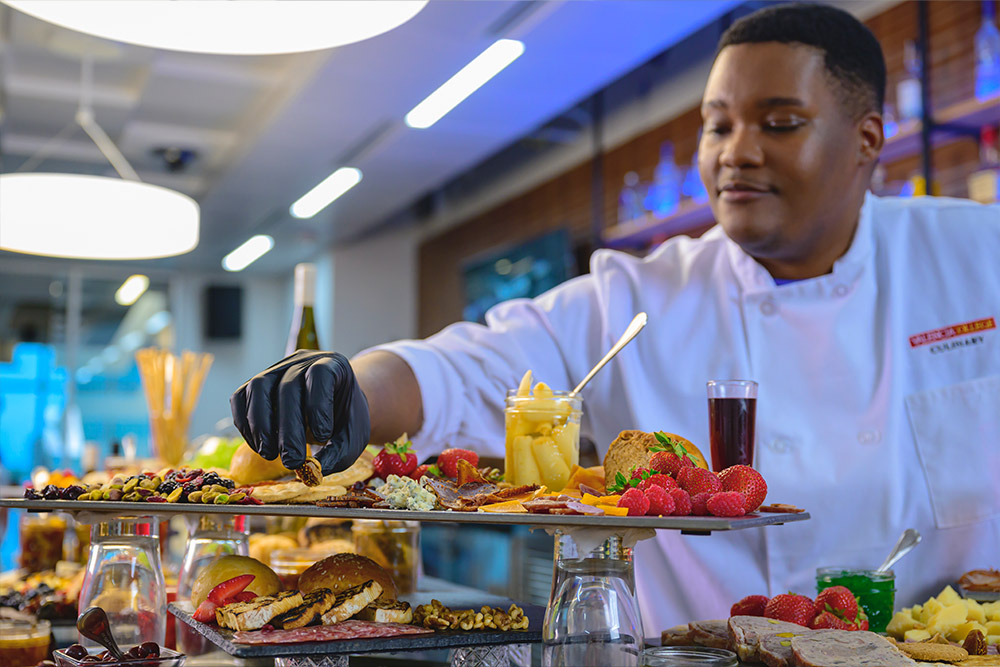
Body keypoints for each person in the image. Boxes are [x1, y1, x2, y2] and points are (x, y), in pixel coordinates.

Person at [231, 3, 1000, 631]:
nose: (735, 151)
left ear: (868, 139)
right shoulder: (637, 294)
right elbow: (470, 366)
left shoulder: (974, 255)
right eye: (717, 123)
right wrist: (350, 389)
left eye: (779, 122)